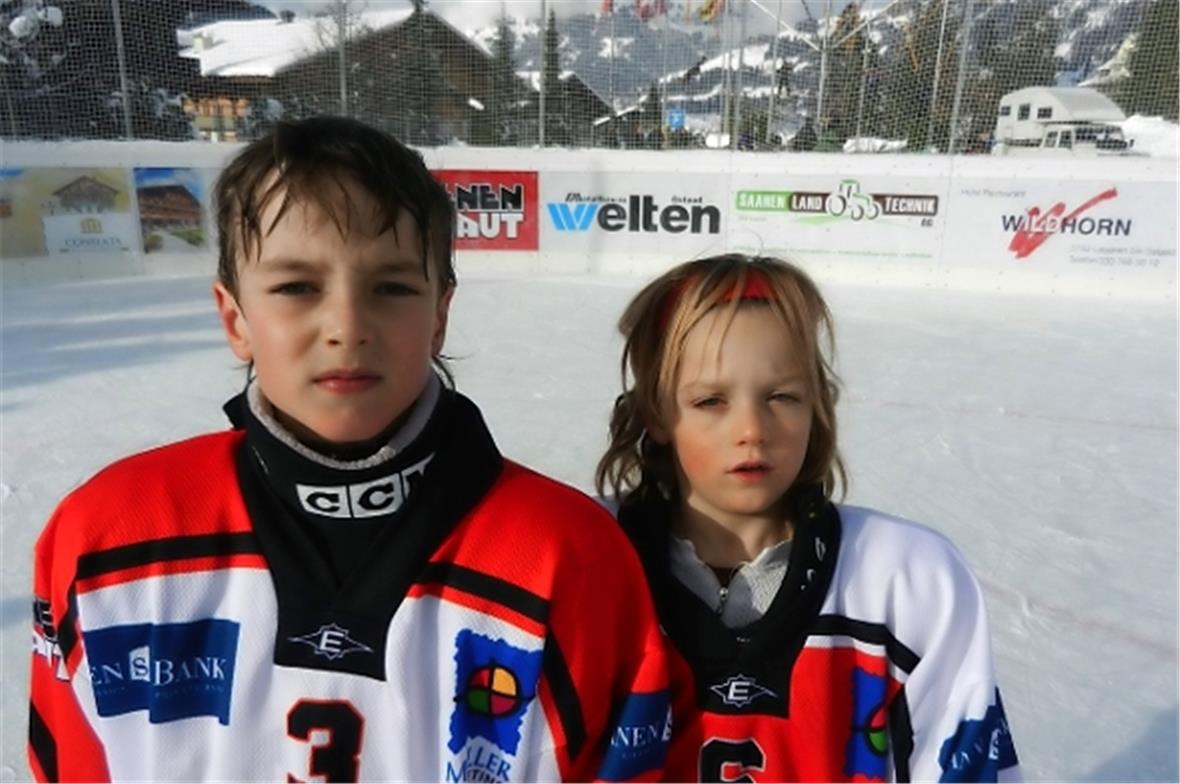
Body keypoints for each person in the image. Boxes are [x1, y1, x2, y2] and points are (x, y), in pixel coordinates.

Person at [29, 116, 669, 783]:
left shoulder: (569, 557)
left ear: (440, 315)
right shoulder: (103, 538)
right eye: (297, 288)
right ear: (234, 319)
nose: (346, 327)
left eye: (391, 288)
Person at [596, 254, 1020, 782]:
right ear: (657, 413)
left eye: (782, 396)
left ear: (816, 404)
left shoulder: (909, 580)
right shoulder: (586, 566)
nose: (753, 428)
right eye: (710, 400)